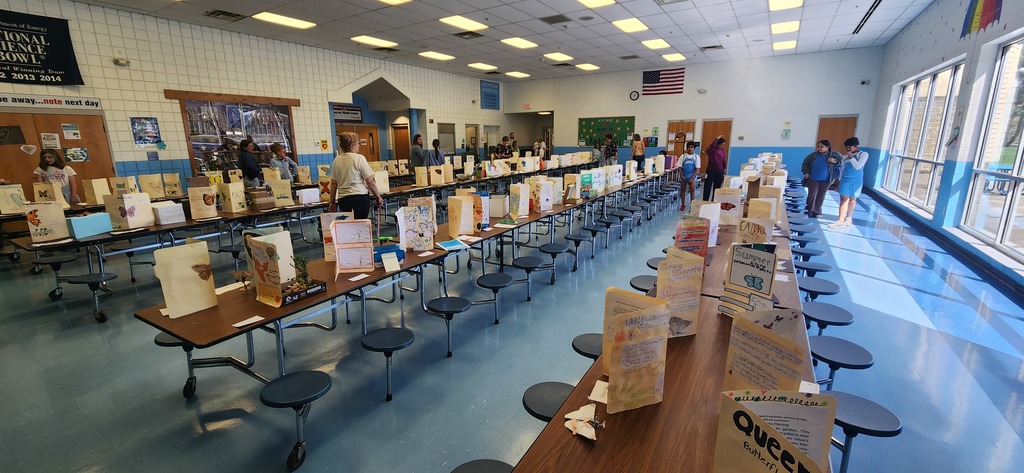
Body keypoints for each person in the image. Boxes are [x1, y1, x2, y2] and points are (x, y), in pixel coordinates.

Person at [327, 131, 384, 219]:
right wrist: (377, 196)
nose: (359, 145)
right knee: (360, 223)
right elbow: (370, 181)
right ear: (352, 144)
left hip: (343, 199)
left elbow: (333, 183)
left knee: (349, 224)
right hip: (359, 197)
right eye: (358, 143)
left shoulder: (336, 160)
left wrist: (332, 202)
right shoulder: (359, 158)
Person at [800, 139, 842, 218]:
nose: (819, 148)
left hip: (826, 180)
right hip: (813, 178)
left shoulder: (835, 155)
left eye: (822, 147)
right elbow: (805, 164)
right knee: (812, 195)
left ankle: (817, 211)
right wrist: (806, 172)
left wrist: (834, 161)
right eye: (818, 147)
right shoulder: (813, 155)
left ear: (827, 147)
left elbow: (841, 162)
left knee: (821, 195)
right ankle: (809, 211)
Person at [833, 137, 869, 228]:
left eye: (850, 147)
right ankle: (840, 220)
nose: (848, 149)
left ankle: (848, 217)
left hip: (856, 181)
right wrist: (839, 182)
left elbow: (858, 166)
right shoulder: (845, 157)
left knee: (852, 200)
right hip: (845, 180)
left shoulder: (863, 154)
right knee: (843, 200)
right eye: (847, 148)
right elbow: (842, 170)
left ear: (856, 146)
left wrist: (851, 157)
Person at [702, 135, 727, 201]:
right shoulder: (712, 150)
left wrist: (724, 170)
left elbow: (724, 160)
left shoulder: (723, 151)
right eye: (721, 145)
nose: (722, 146)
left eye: (723, 145)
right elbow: (710, 147)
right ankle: (705, 200)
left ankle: (714, 200)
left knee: (717, 187)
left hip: (719, 171)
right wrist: (716, 139)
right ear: (717, 144)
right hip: (710, 171)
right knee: (707, 187)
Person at [679, 141, 701, 211]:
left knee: (692, 191)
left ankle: (692, 205)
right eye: (688, 147)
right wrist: (682, 176)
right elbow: (679, 167)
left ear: (694, 148)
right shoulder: (683, 156)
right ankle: (683, 204)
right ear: (686, 148)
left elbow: (697, 169)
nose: (690, 149)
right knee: (683, 190)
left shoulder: (696, 157)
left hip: (692, 176)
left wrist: (692, 177)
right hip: (684, 176)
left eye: (691, 147)